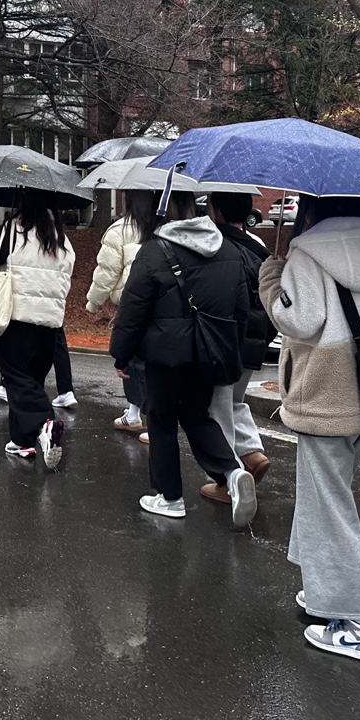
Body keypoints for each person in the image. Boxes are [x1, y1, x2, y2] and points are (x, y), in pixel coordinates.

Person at [259, 195, 360, 663]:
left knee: (329, 508)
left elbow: (298, 321)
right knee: (328, 496)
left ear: (315, 206)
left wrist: (271, 281)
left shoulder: (308, 252)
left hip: (325, 392)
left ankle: (355, 624)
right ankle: (324, 588)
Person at [111, 191, 256, 527]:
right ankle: (232, 471)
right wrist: (231, 351)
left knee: (161, 420)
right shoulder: (228, 250)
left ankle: (170, 497)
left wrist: (122, 354)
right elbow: (240, 311)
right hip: (209, 352)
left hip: (165, 354)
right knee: (197, 416)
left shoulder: (153, 251)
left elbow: (132, 310)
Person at [0, 190, 75, 469]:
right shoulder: (61, 238)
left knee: (15, 377)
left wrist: (6, 226)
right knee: (30, 381)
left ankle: (45, 423)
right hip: (50, 325)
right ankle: (21, 441)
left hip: (16, 318)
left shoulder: (15, 230)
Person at [201, 192, 274, 502]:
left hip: (225, 340)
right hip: (254, 340)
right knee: (234, 401)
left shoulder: (215, 245)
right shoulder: (258, 245)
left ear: (217, 210)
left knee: (216, 409)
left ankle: (227, 480)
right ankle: (253, 454)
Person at [87, 191, 158, 433]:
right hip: (164, 304)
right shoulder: (164, 225)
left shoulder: (120, 230)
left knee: (132, 361)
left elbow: (106, 272)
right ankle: (138, 414)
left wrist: (93, 302)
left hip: (131, 304)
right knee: (154, 363)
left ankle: (141, 416)